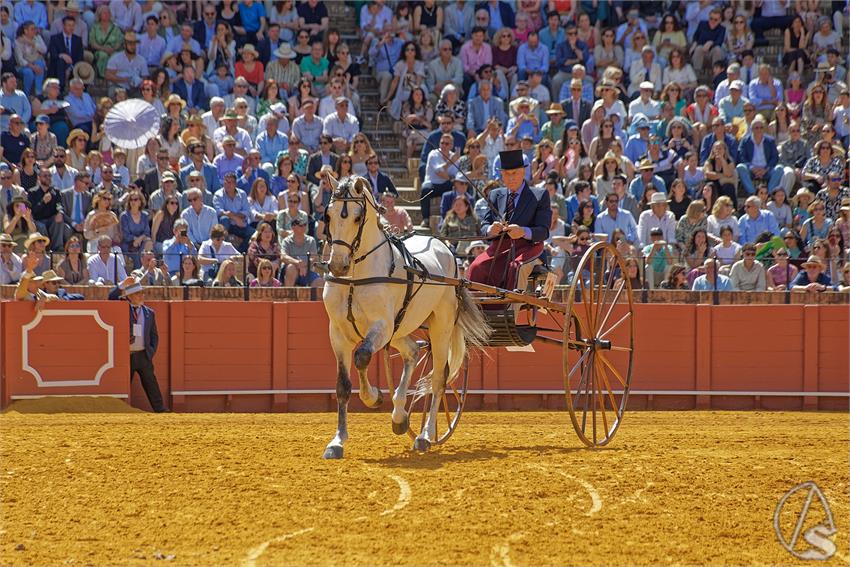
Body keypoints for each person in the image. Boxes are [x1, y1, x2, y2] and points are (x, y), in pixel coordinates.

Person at [466, 149, 551, 289]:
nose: (511, 177)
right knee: (476, 267)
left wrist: (523, 231)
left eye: (515, 173)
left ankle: (511, 309)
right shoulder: (494, 195)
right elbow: (484, 226)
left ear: (523, 172)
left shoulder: (539, 195)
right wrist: (490, 229)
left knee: (516, 268)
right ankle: (477, 308)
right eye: (506, 174)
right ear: (501, 175)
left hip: (529, 248)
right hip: (499, 248)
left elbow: (544, 231)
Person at [108, 277, 168, 412]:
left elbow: (154, 335)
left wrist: (150, 352)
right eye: (138, 293)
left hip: (143, 354)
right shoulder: (122, 308)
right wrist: (122, 285)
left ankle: (160, 409)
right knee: (122, 384)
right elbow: (111, 297)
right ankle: (117, 409)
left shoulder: (149, 313)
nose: (141, 295)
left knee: (151, 383)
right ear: (128, 296)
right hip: (125, 355)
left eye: (142, 293)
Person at [280, 217, 321, 287]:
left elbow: (314, 258)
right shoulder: (286, 241)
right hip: (290, 271)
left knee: (320, 281)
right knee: (291, 268)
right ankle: (289, 296)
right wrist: (298, 264)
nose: (303, 227)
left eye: (305, 225)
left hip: (307, 271)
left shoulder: (311, 240)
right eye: (300, 225)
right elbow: (283, 257)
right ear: (293, 227)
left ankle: (311, 298)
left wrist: (304, 265)